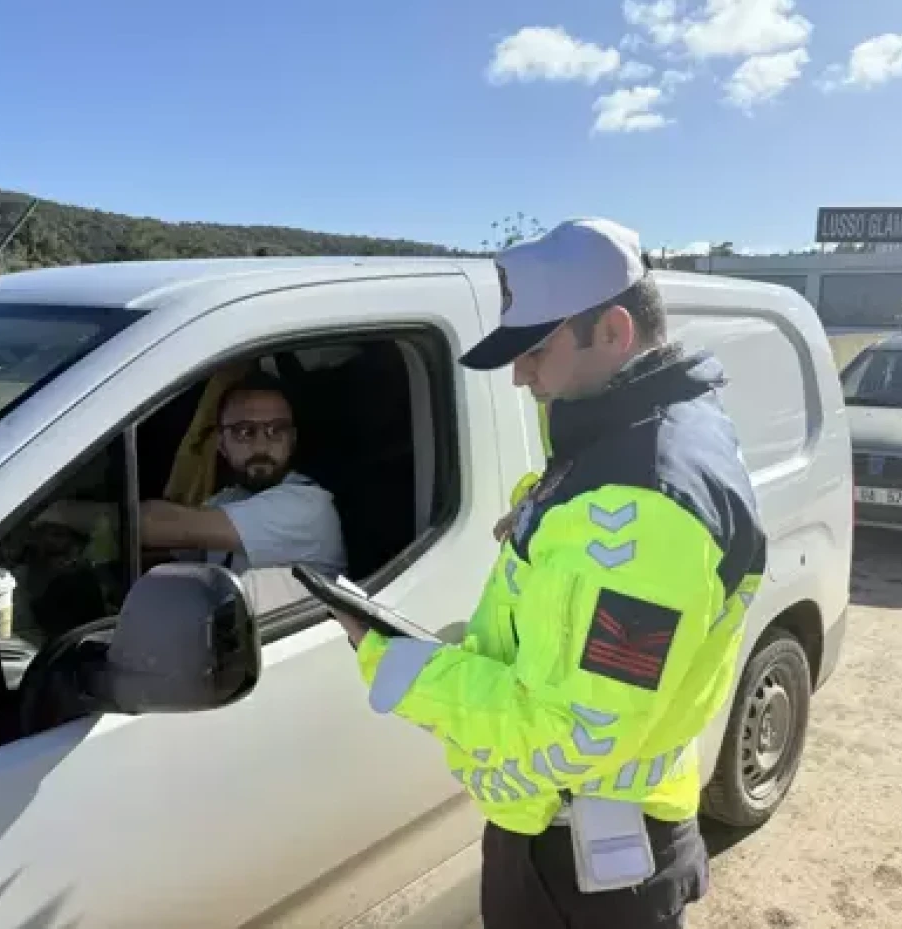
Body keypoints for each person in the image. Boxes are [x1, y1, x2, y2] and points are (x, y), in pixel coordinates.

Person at [329, 218, 766, 928]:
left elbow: (570, 731)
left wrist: (395, 661)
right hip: (581, 840)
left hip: (584, 871)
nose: (519, 373)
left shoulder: (646, 505)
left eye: (535, 349)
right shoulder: (633, 434)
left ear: (614, 331)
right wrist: (539, 510)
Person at [139, 370, 348, 580]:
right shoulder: (228, 499)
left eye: (276, 430)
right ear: (221, 444)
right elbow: (172, 552)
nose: (261, 446)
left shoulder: (307, 506)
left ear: (292, 440)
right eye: (244, 431)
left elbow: (154, 525)